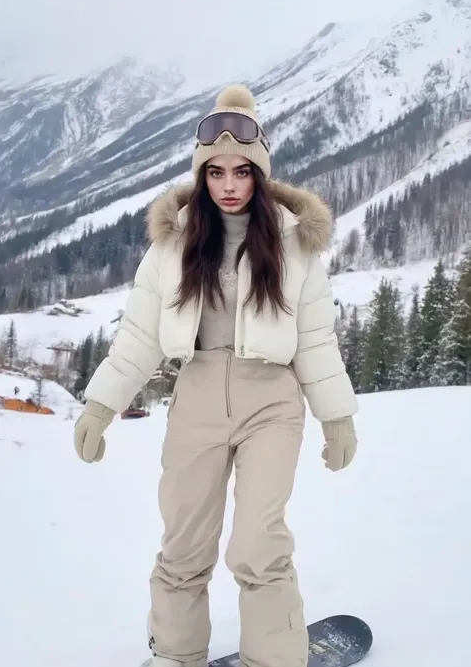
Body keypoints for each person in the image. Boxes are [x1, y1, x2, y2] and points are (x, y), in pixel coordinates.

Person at [74, 84, 359, 667]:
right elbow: (139, 334)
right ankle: (175, 656)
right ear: (201, 177)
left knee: (259, 543)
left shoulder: (294, 242)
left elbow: (314, 339)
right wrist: (102, 405)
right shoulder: (173, 243)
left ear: (260, 173)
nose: (229, 185)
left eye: (242, 172)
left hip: (271, 401)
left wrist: (338, 419)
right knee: (183, 545)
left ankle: (274, 658)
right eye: (216, 173)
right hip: (197, 397)